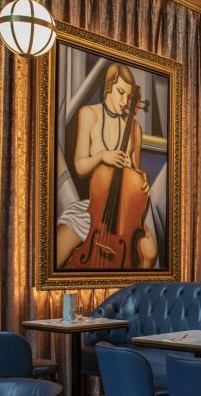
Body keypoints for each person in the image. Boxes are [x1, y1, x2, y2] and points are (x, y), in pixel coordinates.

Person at [56, 63, 157, 269]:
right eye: (120, 92)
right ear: (108, 86)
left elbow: (135, 176)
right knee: (57, 253)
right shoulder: (89, 114)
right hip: (92, 209)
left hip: (123, 217)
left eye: (128, 96)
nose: (124, 101)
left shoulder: (134, 129)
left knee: (150, 252)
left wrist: (142, 178)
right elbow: (80, 166)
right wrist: (103, 156)